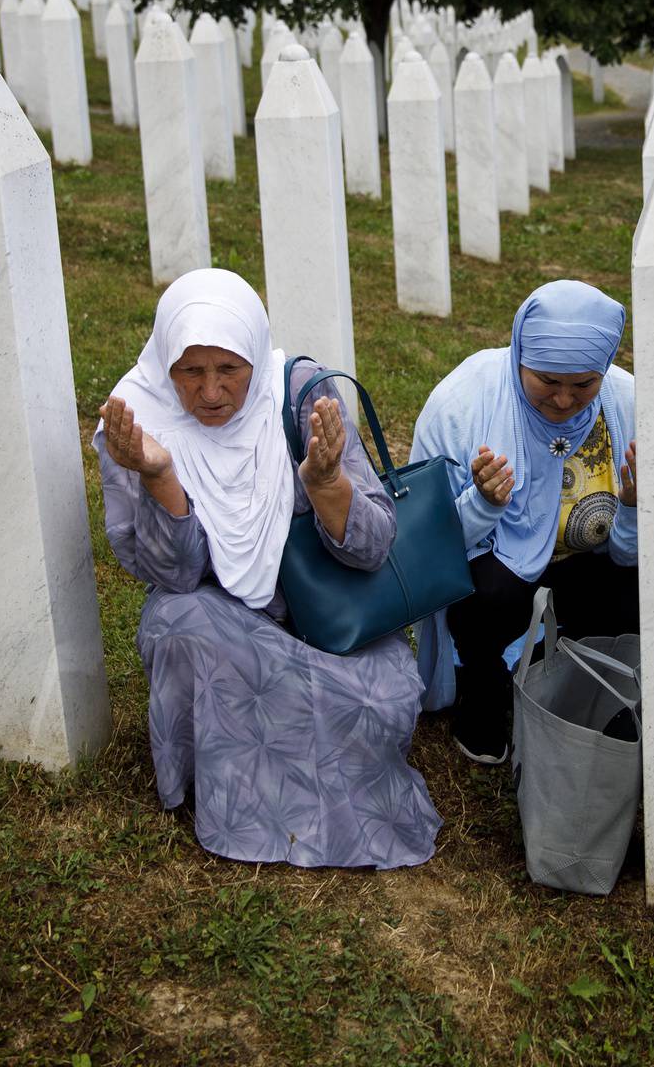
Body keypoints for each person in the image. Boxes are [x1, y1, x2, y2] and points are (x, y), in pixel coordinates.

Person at [95, 268, 440, 869]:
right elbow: (171, 575)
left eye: (229, 369)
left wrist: (328, 484)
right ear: (164, 363)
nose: (209, 392)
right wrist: (160, 478)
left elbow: (374, 547)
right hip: (219, 616)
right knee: (176, 622)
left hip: (317, 614)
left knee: (384, 690)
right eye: (190, 371)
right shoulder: (137, 419)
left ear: (255, 353)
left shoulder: (301, 394)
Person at [410, 280, 639, 762]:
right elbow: (426, 545)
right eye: (547, 381)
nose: (562, 401)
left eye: (582, 384)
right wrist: (483, 504)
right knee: (486, 596)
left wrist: (635, 508)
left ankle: (590, 687)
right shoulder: (462, 405)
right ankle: (483, 687)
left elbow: (629, 557)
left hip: (585, 571)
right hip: (494, 579)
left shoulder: (627, 404)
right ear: (518, 355)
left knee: (641, 591)